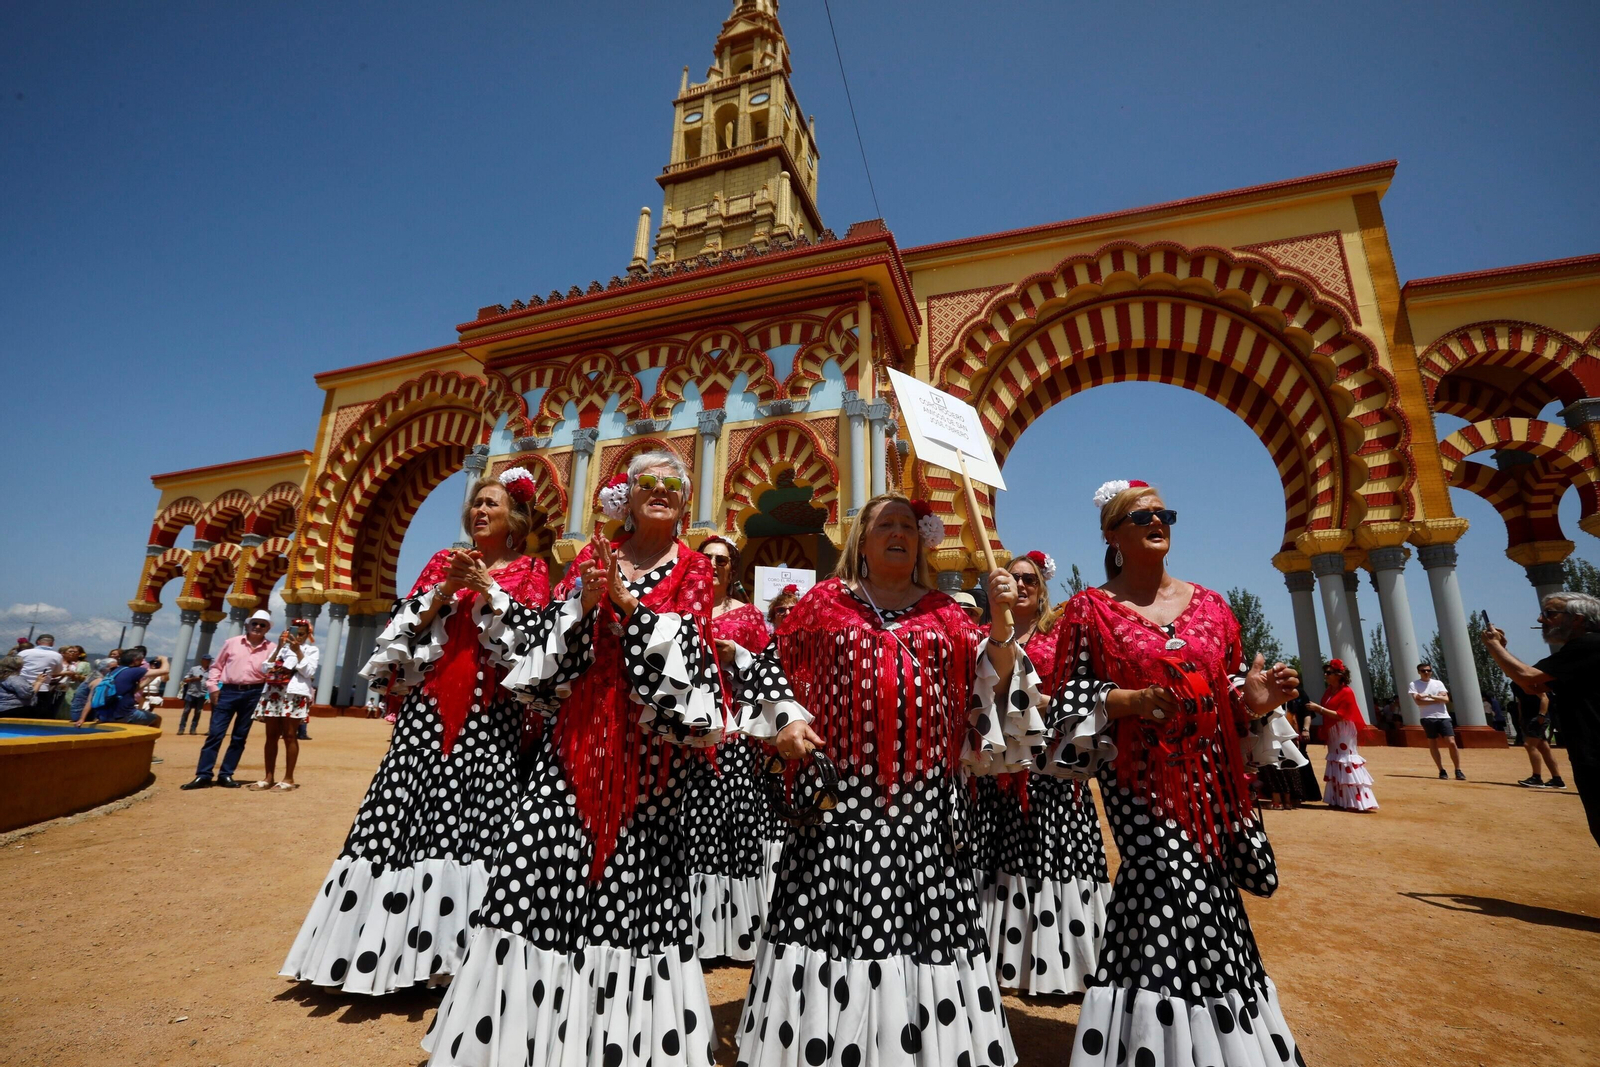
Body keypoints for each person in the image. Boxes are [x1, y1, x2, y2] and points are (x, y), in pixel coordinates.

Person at [425, 451, 724, 1065]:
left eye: (673, 484)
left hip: (648, 753)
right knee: (534, 866)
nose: (660, 492)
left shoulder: (694, 568)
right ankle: (512, 1034)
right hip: (578, 734)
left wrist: (630, 607)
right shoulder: (591, 557)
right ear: (628, 495)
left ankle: (620, 1039)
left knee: (634, 882)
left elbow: (690, 649)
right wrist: (585, 607)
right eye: (649, 483)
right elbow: (544, 648)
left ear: (685, 501)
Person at [734, 494, 1045, 1067]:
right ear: (863, 540)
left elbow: (993, 683)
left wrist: (1001, 627)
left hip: (922, 815)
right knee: (831, 934)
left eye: (908, 524)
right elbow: (768, 673)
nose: (898, 532)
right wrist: (787, 723)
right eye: (885, 525)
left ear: (923, 540)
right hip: (837, 815)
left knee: (924, 940)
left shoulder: (949, 613)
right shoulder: (822, 604)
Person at [282, 468, 583, 995]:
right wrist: (445, 590)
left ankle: (453, 960)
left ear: (513, 518)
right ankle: (378, 953)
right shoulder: (441, 563)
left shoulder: (531, 570)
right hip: (429, 709)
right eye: (475, 505)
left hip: (490, 715)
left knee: (474, 826)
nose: (479, 511)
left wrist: (488, 589)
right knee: (403, 814)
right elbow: (401, 630)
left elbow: (535, 643)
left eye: (490, 504)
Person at [1046, 480, 1303, 1067]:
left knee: (1200, 899)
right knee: (1165, 885)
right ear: (1113, 536)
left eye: (1165, 514)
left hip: (1214, 786)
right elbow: (1065, 697)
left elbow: (1231, 689)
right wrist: (1129, 701)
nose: (1158, 522)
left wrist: (1254, 698)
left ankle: (1176, 1045)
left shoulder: (1213, 606)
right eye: (1142, 518)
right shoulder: (1089, 610)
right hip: (1140, 786)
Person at [974, 548, 1112, 996]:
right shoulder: (988, 635)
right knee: (1004, 858)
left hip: (1051, 767)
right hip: (1000, 771)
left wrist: (1048, 706)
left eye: (1029, 578)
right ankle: (1005, 960)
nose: (1021, 584)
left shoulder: (1060, 635)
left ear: (1042, 587)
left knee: (1053, 856)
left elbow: (1081, 687)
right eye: (1013, 577)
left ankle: (1065, 966)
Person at [684, 533, 779, 960]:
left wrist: (736, 651)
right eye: (708, 559)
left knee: (734, 822)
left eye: (723, 560)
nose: (716, 565)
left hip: (734, 732)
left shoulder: (749, 616)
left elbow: (767, 672)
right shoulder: (680, 610)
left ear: (732, 568)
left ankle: (735, 935)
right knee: (693, 823)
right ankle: (695, 930)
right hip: (688, 730)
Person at [1483, 593, 1600, 846]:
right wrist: (1502, 650)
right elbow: (1533, 687)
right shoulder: (1580, 650)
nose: (1541, 619)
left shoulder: (1589, 645)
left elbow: (1528, 677)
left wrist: (1494, 647)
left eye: (1549, 614)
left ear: (1578, 619)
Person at [181, 610, 275, 790]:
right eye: (254, 623)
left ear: (267, 628)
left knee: (240, 736)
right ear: (248, 625)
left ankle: (226, 774)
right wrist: (213, 687)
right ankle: (204, 775)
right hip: (229, 691)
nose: (257, 627)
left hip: (254, 692)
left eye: (262, 625)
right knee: (215, 733)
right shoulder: (231, 643)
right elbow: (217, 666)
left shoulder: (271, 648)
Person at [250, 621, 319, 791]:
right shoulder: (280, 648)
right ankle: (268, 777)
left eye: (302, 634)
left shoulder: (311, 650)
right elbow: (265, 668)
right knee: (271, 736)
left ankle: (288, 778)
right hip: (274, 693)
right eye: (295, 633)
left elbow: (309, 672)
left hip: (293, 694)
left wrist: (298, 652)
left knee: (289, 735)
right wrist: (280, 647)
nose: (298, 637)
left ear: (307, 635)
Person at [1306, 659, 1377, 811]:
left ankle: (1355, 800)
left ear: (1339, 675)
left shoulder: (1346, 692)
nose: (1326, 675)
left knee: (1346, 760)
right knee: (1335, 760)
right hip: (1333, 730)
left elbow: (1341, 714)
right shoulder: (1329, 691)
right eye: (1325, 672)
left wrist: (1319, 709)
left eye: (1329, 673)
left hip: (1343, 729)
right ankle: (1339, 799)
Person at [1409, 661, 1464, 780]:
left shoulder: (1438, 683)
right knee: (1433, 743)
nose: (1426, 673)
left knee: (1451, 742)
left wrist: (1429, 696)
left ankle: (1458, 769)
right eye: (1423, 671)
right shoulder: (1414, 684)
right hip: (1427, 717)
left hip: (1443, 716)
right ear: (1419, 672)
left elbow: (1445, 699)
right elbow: (1418, 701)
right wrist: (1437, 699)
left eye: (1429, 670)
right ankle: (1441, 770)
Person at [1509, 681, 1565, 788]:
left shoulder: (1528, 680)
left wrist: (1541, 715)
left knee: (1529, 745)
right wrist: (1520, 717)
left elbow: (1544, 698)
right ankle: (1557, 779)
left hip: (1537, 717)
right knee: (1543, 747)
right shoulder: (1514, 684)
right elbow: (1520, 701)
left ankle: (1537, 778)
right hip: (1528, 717)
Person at [98, 648, 169, 728]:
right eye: (141, 660)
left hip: (105, 714)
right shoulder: (134, 671)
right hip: (124, 714)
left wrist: (152, 676)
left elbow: (134, 690)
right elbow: (165, 670)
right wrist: (164, 659)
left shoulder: (116, 671)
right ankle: (149, 740)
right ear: (135, 660)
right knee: (156, 719)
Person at [17, 635, 65, 719]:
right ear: (52, 643)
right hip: (42, 688)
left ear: (38, 642)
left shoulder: (23, 653)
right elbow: (57, 671)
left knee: (20, 713)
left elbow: (16, 667)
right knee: (39, 714)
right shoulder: (56, 656)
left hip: (22, 686)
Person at [71, 651, 119, 725]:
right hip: (80, 711)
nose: (116, 670)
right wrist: (82, 719)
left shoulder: (93, 676)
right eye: (113, 668)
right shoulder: (98, 681)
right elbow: (90, 701)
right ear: (103, 669)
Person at [177, 655, 211, 735]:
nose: (208, 661)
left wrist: (208, 696)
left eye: (209, 660)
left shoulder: (211, 671)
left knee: (198, 712)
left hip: (202, 694)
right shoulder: (194, 669)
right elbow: (185, 679)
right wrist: (194, 679)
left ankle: (193, 729)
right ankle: (181, 728)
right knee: (186, 711)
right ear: (202, 660)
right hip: (191, 693)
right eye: (207, 660)